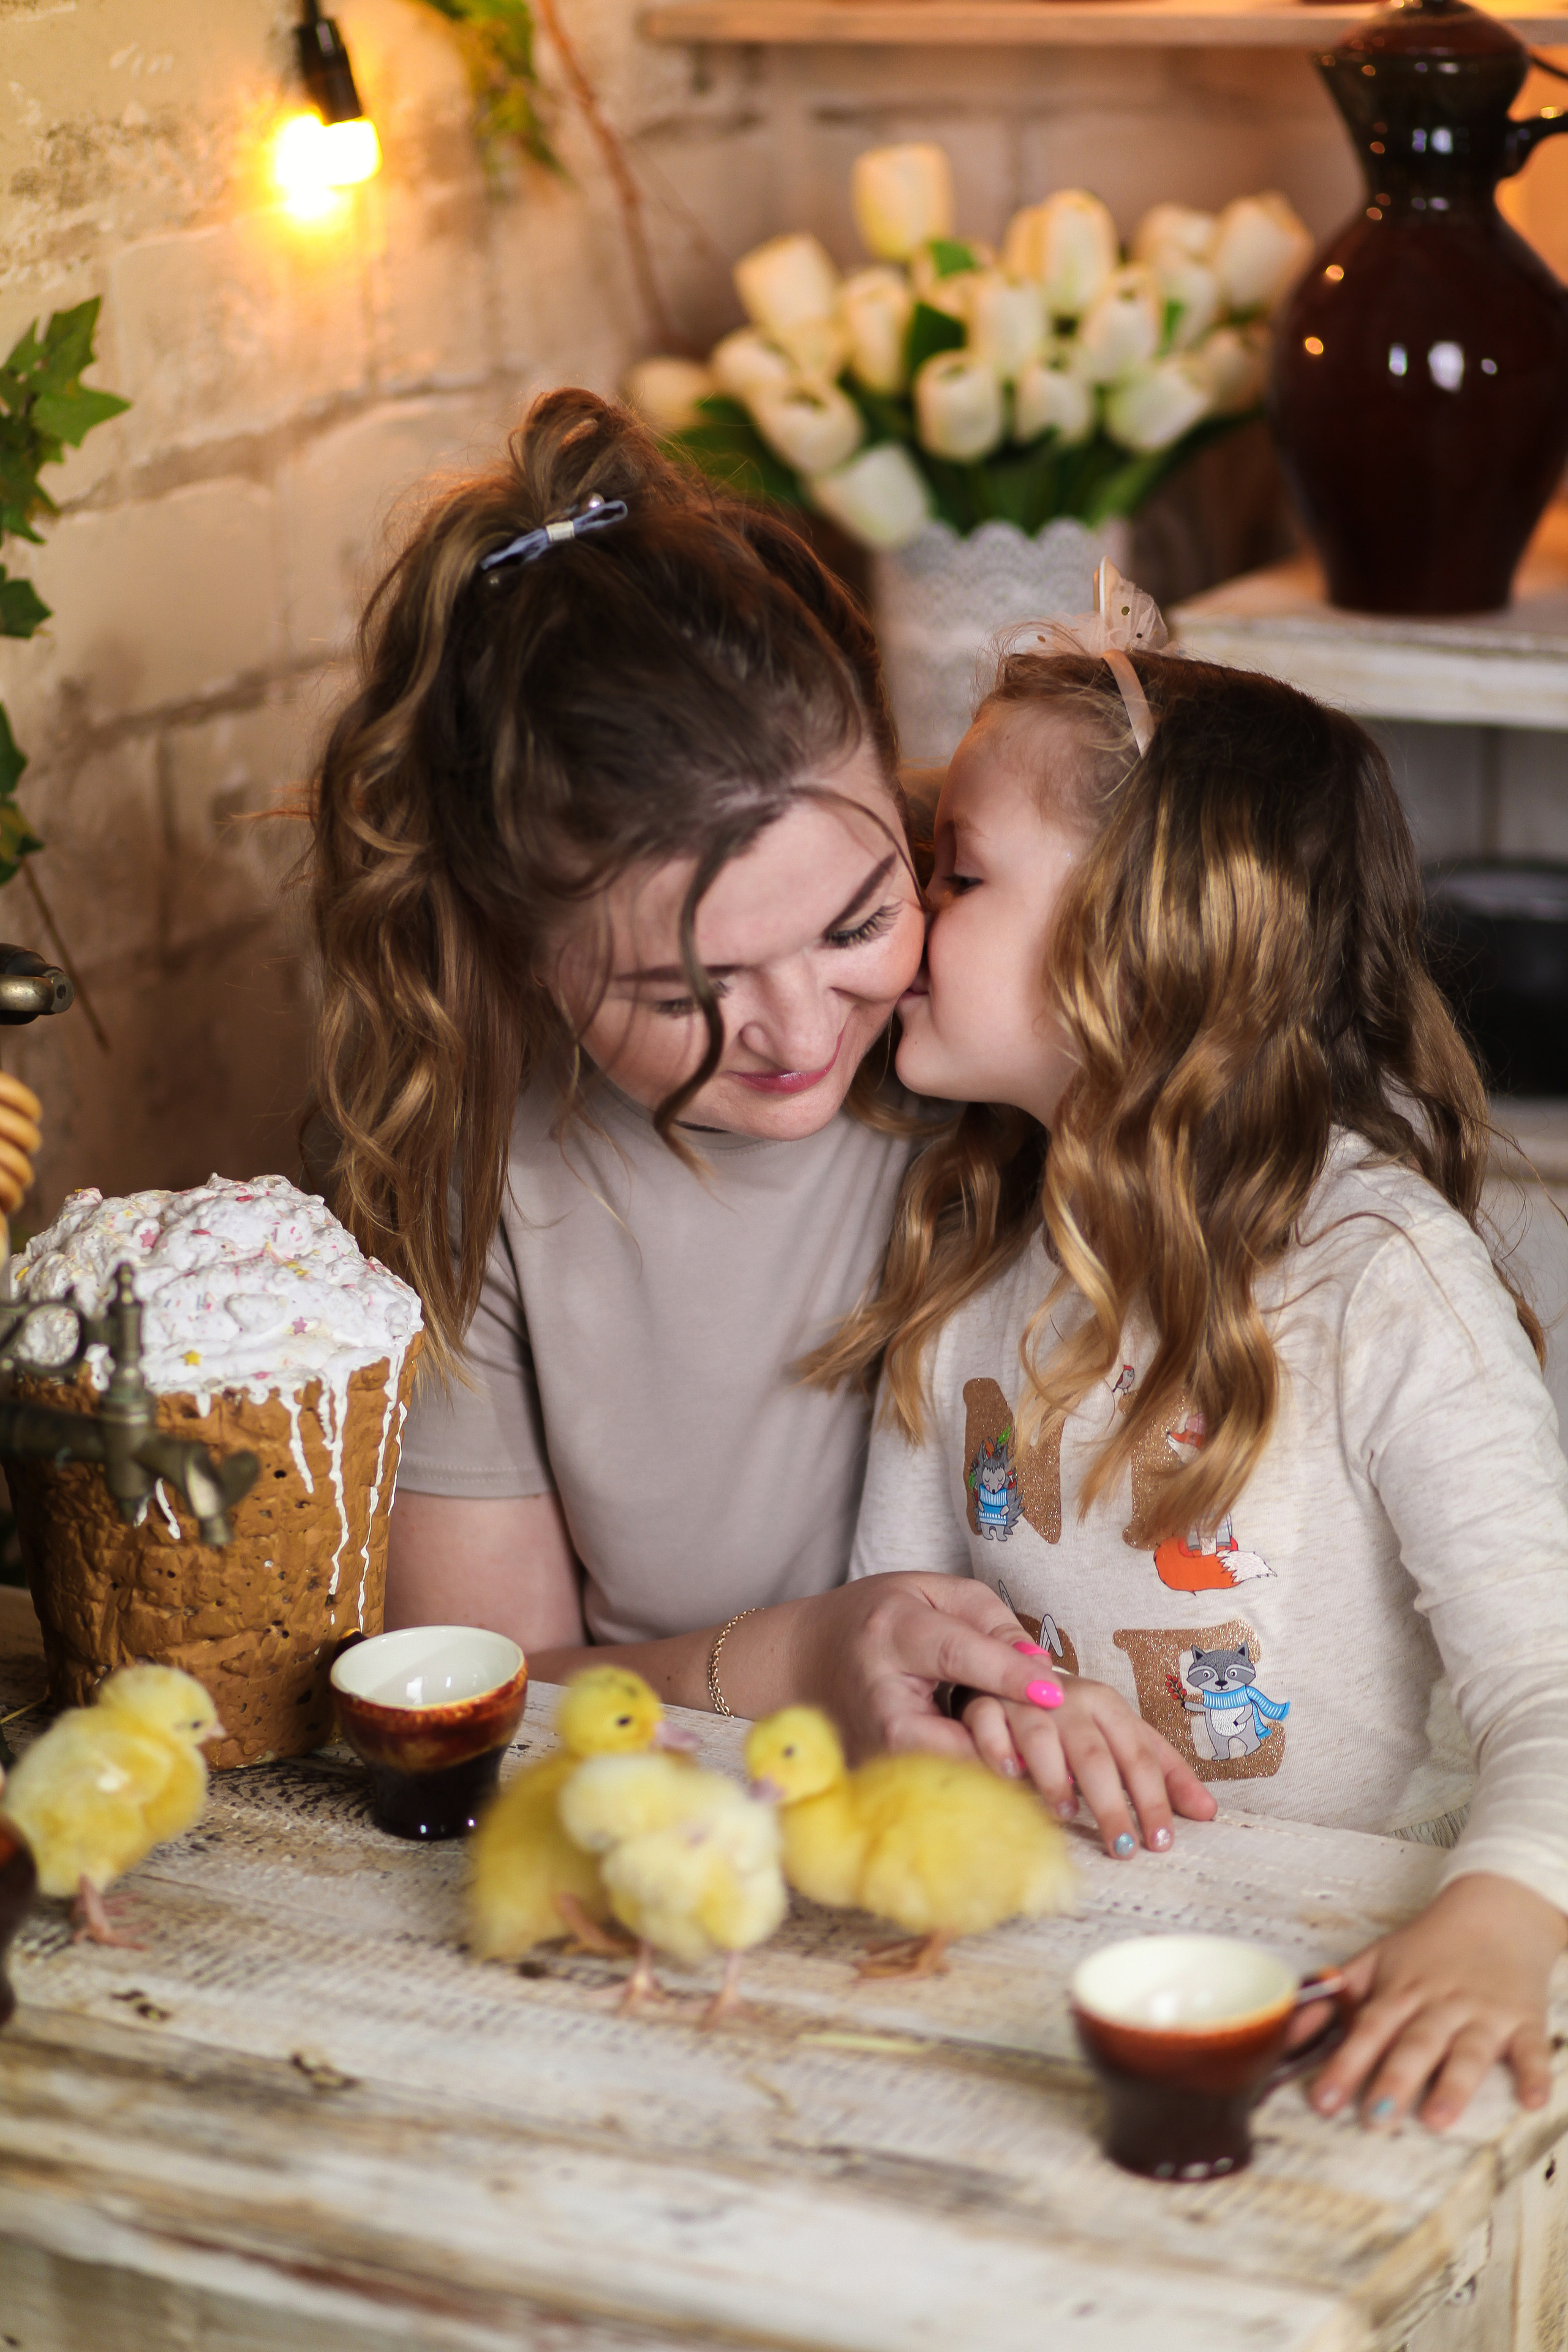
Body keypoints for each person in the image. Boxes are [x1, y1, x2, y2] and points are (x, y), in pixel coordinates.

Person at [831, 576, 1568, 2130]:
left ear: (1137, 943)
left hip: (1348, 1969)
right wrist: (988, 1723)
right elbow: (905, 1631)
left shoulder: (1375, 1280)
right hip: (1048, 1951)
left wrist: (1499, 1920)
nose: (904, 915)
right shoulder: (963, 1244)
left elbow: (1547, 1685)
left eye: (958, 873)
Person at [308, 386, 1054, 1747]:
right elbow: (485, 1686)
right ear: (522, 951)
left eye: (858, 925)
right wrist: (801, 1659)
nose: (800, 1036)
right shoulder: (481, 1171)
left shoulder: (1016, 1019)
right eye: (683, 993)